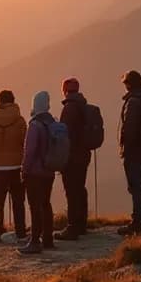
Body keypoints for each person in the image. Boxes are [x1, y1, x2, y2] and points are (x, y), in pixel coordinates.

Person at [0, 90, 27, 244]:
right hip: (17, 165)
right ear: (13, 101)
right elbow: (25, 142)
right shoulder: (20, 120)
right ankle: (21, 232)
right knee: (18, 201)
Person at [19, 91, 58, 254]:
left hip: (34, 173)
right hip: (49, 171)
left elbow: (30, 151)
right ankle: (48, 239)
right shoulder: (53, 123)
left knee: (35, 206)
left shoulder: (35, 125)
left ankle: (35, 241)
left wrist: (24, 169)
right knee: (46, 204)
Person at [54, 78, 92, 241]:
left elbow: (64, 137)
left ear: (64, 90)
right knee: (80, 188)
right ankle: (81, 224)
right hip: (84, 154)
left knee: (71, 191)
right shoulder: (84, 105)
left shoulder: (69, 108)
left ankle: (72, 227)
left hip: (72, 156)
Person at [118, 70, 141, 235]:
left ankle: (138, 221)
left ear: (129, 84)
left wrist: (125, 149)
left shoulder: (133, 102)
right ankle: (139, 218)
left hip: (134, 151)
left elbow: (130, 129)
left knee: (135, 185)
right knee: (137, 184)